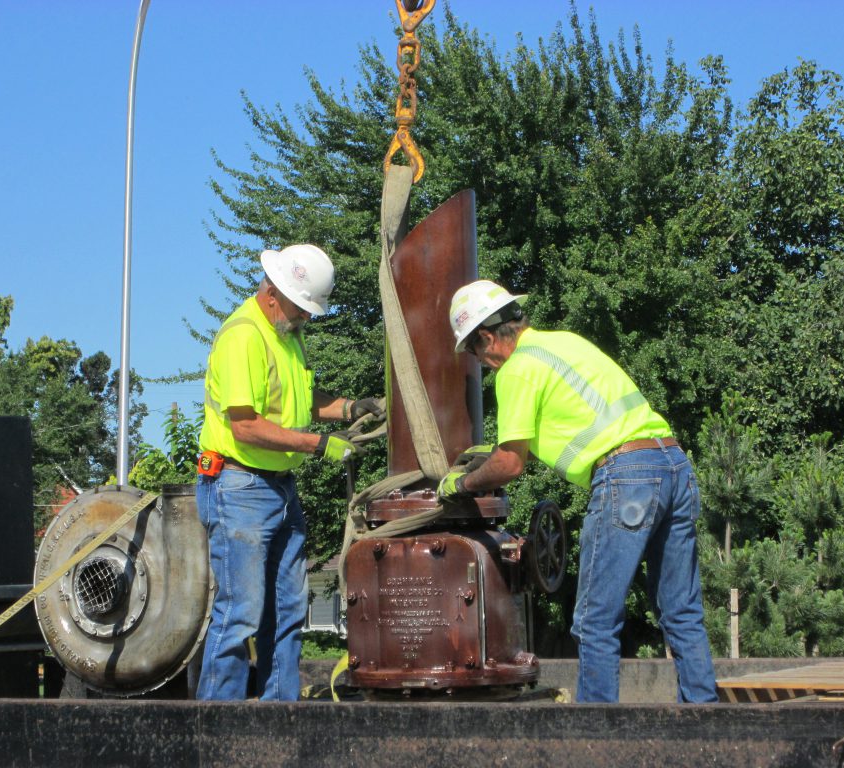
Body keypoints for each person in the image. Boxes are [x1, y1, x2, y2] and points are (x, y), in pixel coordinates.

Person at [437, 279, 717, 703]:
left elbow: (511, 463)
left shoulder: (515, 371)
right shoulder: (564, 342)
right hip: (674, 465)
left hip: (625, 476)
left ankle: (594, 735)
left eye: (474, 352)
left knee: (594, 619)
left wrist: (460, 483)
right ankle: (705, 717)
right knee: (681, 611)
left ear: (488, 338)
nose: (481, 362)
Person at [195, 243, 384, 701]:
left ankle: (280, 715)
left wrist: (348, 408)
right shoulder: (244, 336)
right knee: (239, 612)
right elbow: (245, 426)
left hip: (276, 488)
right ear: (275, 292)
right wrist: (318, 445)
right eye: (302, 309)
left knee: (288, 607)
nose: (306, 319)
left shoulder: (285, 334)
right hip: (238, 485)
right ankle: (217, 724)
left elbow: (300, 401)